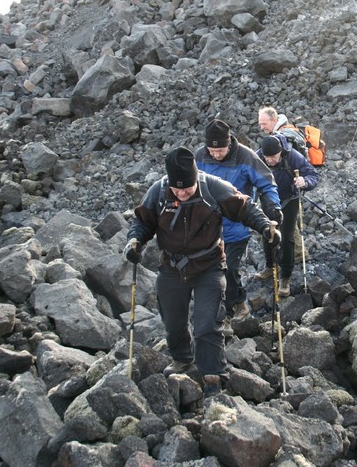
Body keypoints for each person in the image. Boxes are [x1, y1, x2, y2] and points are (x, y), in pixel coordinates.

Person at [124, 147, 280, 397]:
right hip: (172, 266)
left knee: (208, 324)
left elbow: (245, 208)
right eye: (177, 189)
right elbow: (142, 222)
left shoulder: (213, 188)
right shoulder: (159, 191)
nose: (182, 193)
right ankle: (182, 358)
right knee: (173, 322)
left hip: (209, 265)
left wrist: (265, 227)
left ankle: (213, 373)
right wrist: (135, 242)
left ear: (195, 177)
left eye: (187, 188)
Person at [194, 119, 282, 320]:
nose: (216, 155)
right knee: (214, 270)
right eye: (212, 151)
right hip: (208, 227)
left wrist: (273, 206)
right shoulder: (199, 156)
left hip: (238, 225)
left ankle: (229, 312)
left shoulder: (245, 156)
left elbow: (266, 183)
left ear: (229, 143)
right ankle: (237, 302)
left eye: (220, 150)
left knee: (229, 268)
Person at [254, 135, 319, 297]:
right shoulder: (257, 157)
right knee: (267, 233)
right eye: (267, 157)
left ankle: (285, 277)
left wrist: (305, 181)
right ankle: (270, 267)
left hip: (289, 200)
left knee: (287, 237)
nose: (270, 161)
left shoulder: (293, 157)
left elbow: (313, 175)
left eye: (273, 157)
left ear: (280, 152)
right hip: (268, 199)